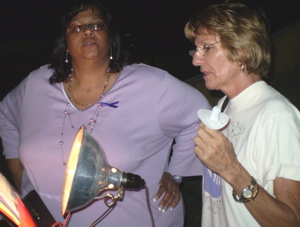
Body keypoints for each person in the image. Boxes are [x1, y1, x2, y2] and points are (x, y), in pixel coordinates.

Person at [0, 0, 211, 226]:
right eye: (77, 27)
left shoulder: (151, 85)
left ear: (110, 37)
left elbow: (201, 117)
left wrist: (176, 173)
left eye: (97, 25)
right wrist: (21, 179)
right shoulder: (35, 85)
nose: (88, 31)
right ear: (65, 42)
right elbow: (5, 116)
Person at [185, 2, 300, 227]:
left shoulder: (277, 116)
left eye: (206, 48)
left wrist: (233, 171)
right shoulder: (222, 106)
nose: (195, 60)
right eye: (195, 50)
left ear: (242, 51)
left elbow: (292, 221)